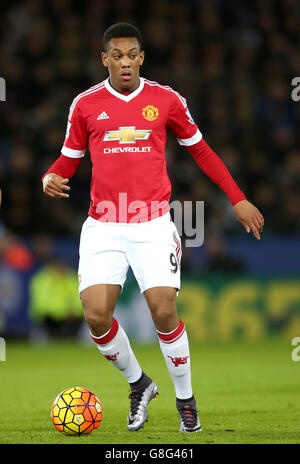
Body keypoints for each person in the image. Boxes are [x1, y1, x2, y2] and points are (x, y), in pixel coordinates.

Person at [42, 23, 264, 433]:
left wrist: (237, 197)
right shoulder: (85, 104)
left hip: (152, 224)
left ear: (142, 58)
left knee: (163, 309)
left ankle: (185, 401)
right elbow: (67, 160)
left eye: (132, 55)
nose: (125, 62)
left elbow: (201, 149)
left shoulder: (166, 99)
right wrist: (48, 177)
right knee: (94, 316)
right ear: (103, 58)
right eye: (116, 55)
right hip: (103, 226)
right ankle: (139, 384)